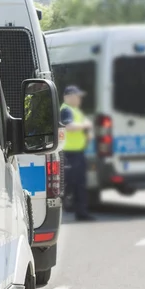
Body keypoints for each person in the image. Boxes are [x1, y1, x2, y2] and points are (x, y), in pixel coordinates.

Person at [60, 85, 95, 221]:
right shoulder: (67, 110)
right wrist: (86, 126)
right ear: (69, 97)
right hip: (70, 154)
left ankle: (81, 212)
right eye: (77, 96)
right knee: (71, 183)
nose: (80, 99)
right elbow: (68, 127)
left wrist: (87, 128)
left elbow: (85, 123)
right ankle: (76, 211)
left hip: (77, 153)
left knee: (78, 184)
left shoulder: (74, 110)